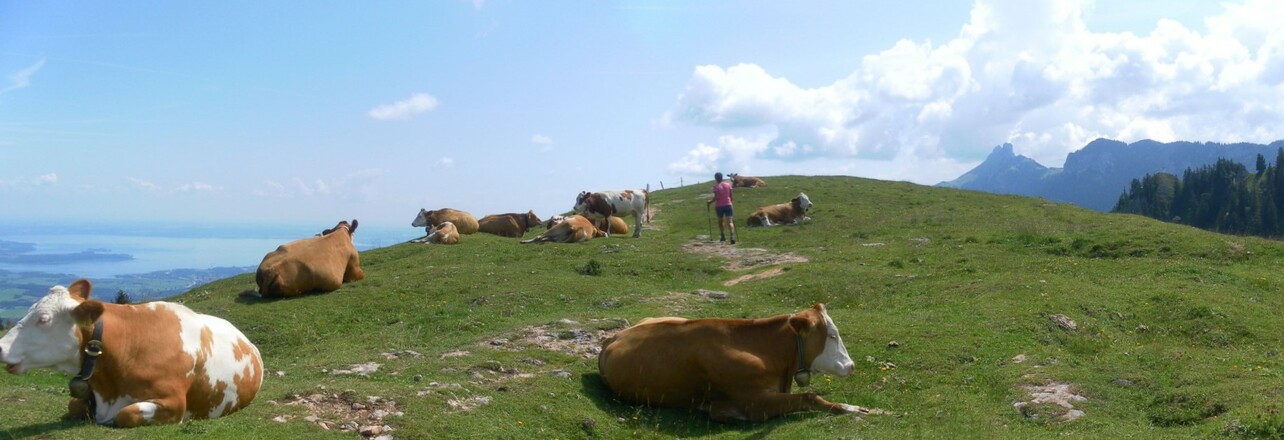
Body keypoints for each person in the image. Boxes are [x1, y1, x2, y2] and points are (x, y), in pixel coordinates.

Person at [707, 172, 736, 244]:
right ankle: (732, 236)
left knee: (720, 221)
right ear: (722, 177)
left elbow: (716, 197)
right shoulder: (728, 185)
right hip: (728, 204)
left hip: (719, 206)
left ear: (716, 178)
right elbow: (731, 196)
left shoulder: (716, 187)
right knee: (730, 221)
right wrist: (731, 203)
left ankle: (723, 236)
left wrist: (709, 202)